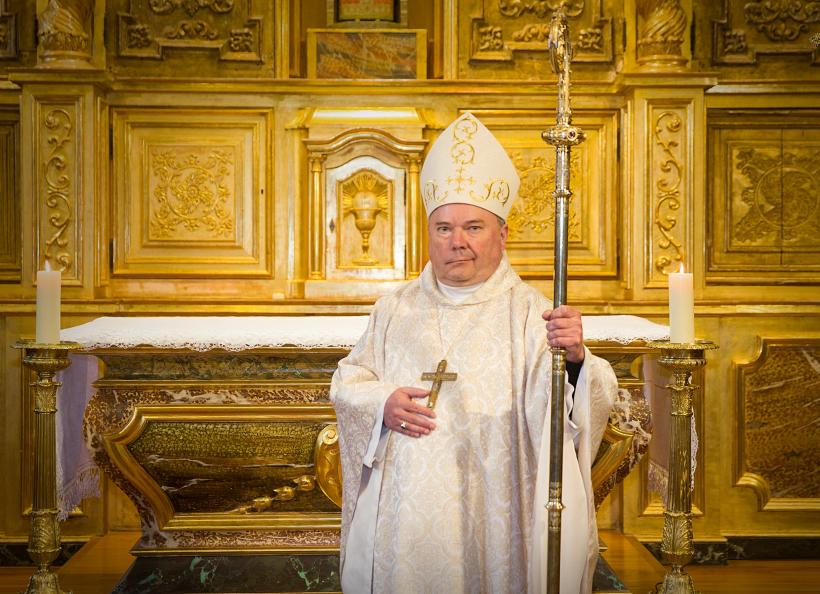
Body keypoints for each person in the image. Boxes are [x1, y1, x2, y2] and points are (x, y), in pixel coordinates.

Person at [330, 112, 618, 593]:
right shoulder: (393, 310)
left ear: (502, 235)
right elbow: (348, 380)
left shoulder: (533, 315)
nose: (456, 242)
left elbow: (590, 397)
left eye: (472, 227)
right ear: (428, 233)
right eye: (443, 228)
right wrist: (381, 403)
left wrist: (575, 360)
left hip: (496, 510)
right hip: (407, 519)